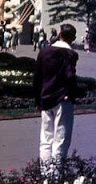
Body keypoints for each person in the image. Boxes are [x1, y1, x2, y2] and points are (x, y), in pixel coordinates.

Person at [33, 24, 79, 162]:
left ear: (59, 34)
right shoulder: (71, 54)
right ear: (73, 38)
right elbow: (70, 77)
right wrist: (72, 95)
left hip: (46, 98)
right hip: (63, 99)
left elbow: (37, 77)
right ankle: (56, 173)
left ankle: (45, 172)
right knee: (60, 141)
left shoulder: (44, 52)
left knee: (45, 139)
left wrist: (38, 100)